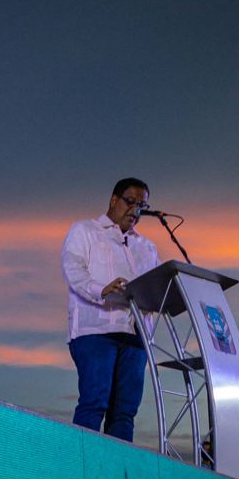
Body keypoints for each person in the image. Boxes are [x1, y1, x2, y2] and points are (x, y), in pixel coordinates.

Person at [61, 178, 160, 442]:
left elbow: (159, 285)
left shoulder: (146, 247)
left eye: (142, 205)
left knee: (125, 413)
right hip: (96, 331)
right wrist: (101, 289)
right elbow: (74, 271)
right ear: (113, 200)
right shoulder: (85, 231)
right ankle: (82, 474)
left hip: (136, 337)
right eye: (131, 202)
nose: (135, 210)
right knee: (95, 402)